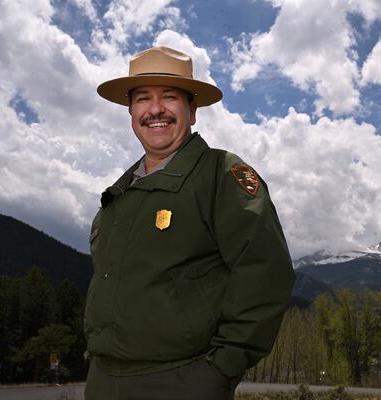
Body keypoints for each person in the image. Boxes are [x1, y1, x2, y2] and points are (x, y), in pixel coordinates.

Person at [83, 46, 295, 400]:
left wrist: (220, 369)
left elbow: (265, 271)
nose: (155, 110)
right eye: (142, 99)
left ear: (192, 111)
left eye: (170, 97)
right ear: (131, 111)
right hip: (104, 380)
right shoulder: (116, 199)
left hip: (182, 382)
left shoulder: (220, 174)